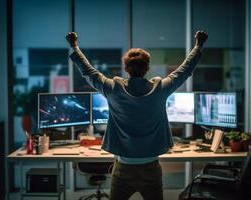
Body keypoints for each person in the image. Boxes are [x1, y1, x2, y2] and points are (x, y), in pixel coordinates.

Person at [66, 30, 208, 200]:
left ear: (126, 68)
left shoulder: (112, 89)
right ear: (148, 68)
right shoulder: (160, 89)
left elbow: (88, 72)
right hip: (151, 169)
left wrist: (74, 46)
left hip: (123, 170)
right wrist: (198, 46)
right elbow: (184, 71)